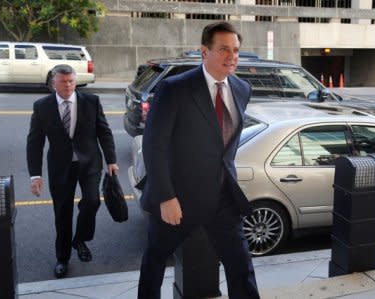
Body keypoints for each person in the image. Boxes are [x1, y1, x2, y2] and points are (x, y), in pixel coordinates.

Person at [138, 21, 260, 298]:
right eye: (223, 49)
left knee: (241, 264)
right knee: (155, 260)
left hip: (223, 197)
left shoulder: (242, 88)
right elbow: (154, 145)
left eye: (236, 50)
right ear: (204, 52)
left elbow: (224, 144)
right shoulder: (175, 88)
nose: (232, 56)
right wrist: (165, 197)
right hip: (178, 198)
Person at [26, 64, 119, 279]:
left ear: (75, 82)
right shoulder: (42, 107)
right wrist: (35, 175)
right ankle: (62, 258)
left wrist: (111, 160)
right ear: (53, 84)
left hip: (89, 163)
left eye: (71, 81)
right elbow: (35, 142)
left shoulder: (91, 102)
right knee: (62, 212)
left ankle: (80, 238)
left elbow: (104, 131)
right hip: (60, 166)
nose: (68, 85)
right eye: (63, 81)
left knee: (92, 201)